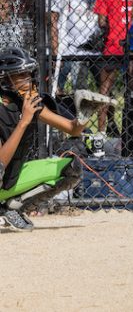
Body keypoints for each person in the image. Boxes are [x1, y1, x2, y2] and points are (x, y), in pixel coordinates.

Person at [0, 46, 86, 231]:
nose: (28, 80)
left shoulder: (29, 103)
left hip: (9, 180)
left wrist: (85, 114)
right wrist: (24, 122)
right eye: (21, 75)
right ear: (5, 80)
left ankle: (10, 209)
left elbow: (72, 129)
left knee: (71, 169)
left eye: (29, 74)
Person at [93, 0, 133, 133]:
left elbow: (102, 22)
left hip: (113, 45)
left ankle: (101, 131)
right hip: (132, 45)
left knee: (104, 90)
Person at [49, 0, 103, 94]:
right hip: (72, 47)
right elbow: (54, 17)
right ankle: (72, 112)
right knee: (72, 86)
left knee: (103, 85)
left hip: (94, 46)